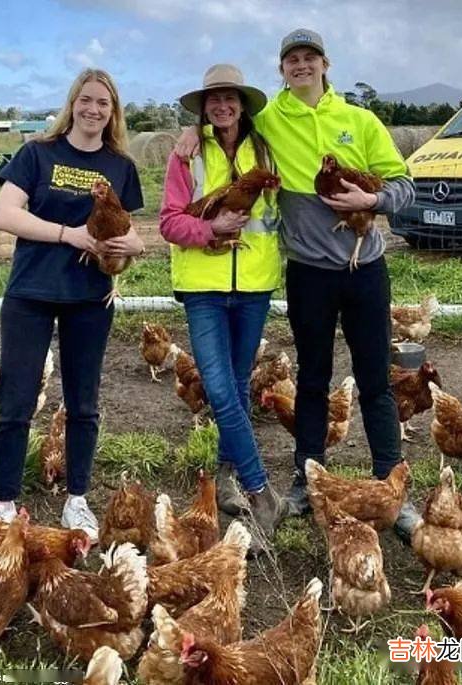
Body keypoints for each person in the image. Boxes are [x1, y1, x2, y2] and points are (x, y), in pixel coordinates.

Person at [176, 31, 419, 542]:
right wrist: (189, 131)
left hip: (365, 270)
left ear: (325, 64)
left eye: (309, 58)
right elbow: (224, 121)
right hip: (308, 273)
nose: (301, 66)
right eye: (292, 59)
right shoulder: (268, 122)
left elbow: (403, 184)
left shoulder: (359, 120)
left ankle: (392, 487)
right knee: (311, 380)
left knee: (376, 380)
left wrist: (371, 203)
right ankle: (308, 480)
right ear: (282, 69)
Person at [0, 68, 145, 543]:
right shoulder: (37, 153)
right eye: (86, 99)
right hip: (30, 294)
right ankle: (3, 501)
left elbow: (135, 235)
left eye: (104, 103)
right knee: (15, 402)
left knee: (83, 404)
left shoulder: (121, 166)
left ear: (112, 112)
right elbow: (4, 214)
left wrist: (125, 249)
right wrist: (69, 235)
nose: (94, 109)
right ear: (72, 103)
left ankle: (76, 499)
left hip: (89, 298)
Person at [160, 64, 287, 545]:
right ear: (203, 107)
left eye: (230, 97)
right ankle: (260, 491)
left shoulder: (266, 148)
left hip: (254, 284)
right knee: (217, 387)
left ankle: (228, 478)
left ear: (242, 104)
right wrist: (210, 230)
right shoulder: (187, 155)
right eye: (213, 99)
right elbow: (170, 222)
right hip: (204, 286)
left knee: (234, 385)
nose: (222, 105)